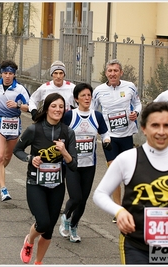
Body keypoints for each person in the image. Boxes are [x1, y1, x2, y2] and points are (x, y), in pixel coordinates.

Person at [93, 101, 168, 265]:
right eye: (155, 125)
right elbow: (100, 194)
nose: (161, 131)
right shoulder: (128, 159)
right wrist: (119, 211)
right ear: (144, 129)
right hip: (135, 245)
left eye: (166, 125)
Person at [13, 93, 77, 264]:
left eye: (61, 107)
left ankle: (38, 262)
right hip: (36, 182)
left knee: (48, 231)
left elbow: (73, 165)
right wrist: (29, 158)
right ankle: (29, 241)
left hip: (56, 185)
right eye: (54, 106)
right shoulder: (34, 129)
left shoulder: (68, 132)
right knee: (42, 223)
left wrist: (64, 152)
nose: (57, 109)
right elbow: (17, 149)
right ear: (47, 108)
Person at [59, 83, 111, 243]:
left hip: (89, 164)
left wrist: (107, 139)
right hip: (72, 164)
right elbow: (60, 134)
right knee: (76, 197)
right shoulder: (70, 116)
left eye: (89, 95)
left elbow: (105, 132)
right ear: (76, 99)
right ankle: (65, 218)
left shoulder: (97, 116)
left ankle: (74, 226)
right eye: (83, 95)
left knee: (83, 200)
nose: (87, 98)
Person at [91, 59, 142, 208]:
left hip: (126, 136)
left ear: (121, 73)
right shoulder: (99, 90)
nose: (113, 74)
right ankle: (117, 207)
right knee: (114, 172)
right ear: (106, 73)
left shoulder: (130, 87)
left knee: (128, 173)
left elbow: (138, 103)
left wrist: (136, 113)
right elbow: (93, 112)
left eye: (115, 71)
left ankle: (128, 205)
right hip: (109, 138)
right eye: (110, 71)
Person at [0, 60, 30, 201]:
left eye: (10, 73)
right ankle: (4, 190)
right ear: (1, 74)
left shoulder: (20, 89)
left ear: (14, 75)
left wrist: (17, 105)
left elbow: (29, 106)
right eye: (5, 73)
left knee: (7, 157)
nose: (8, 76)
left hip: (14, 123)